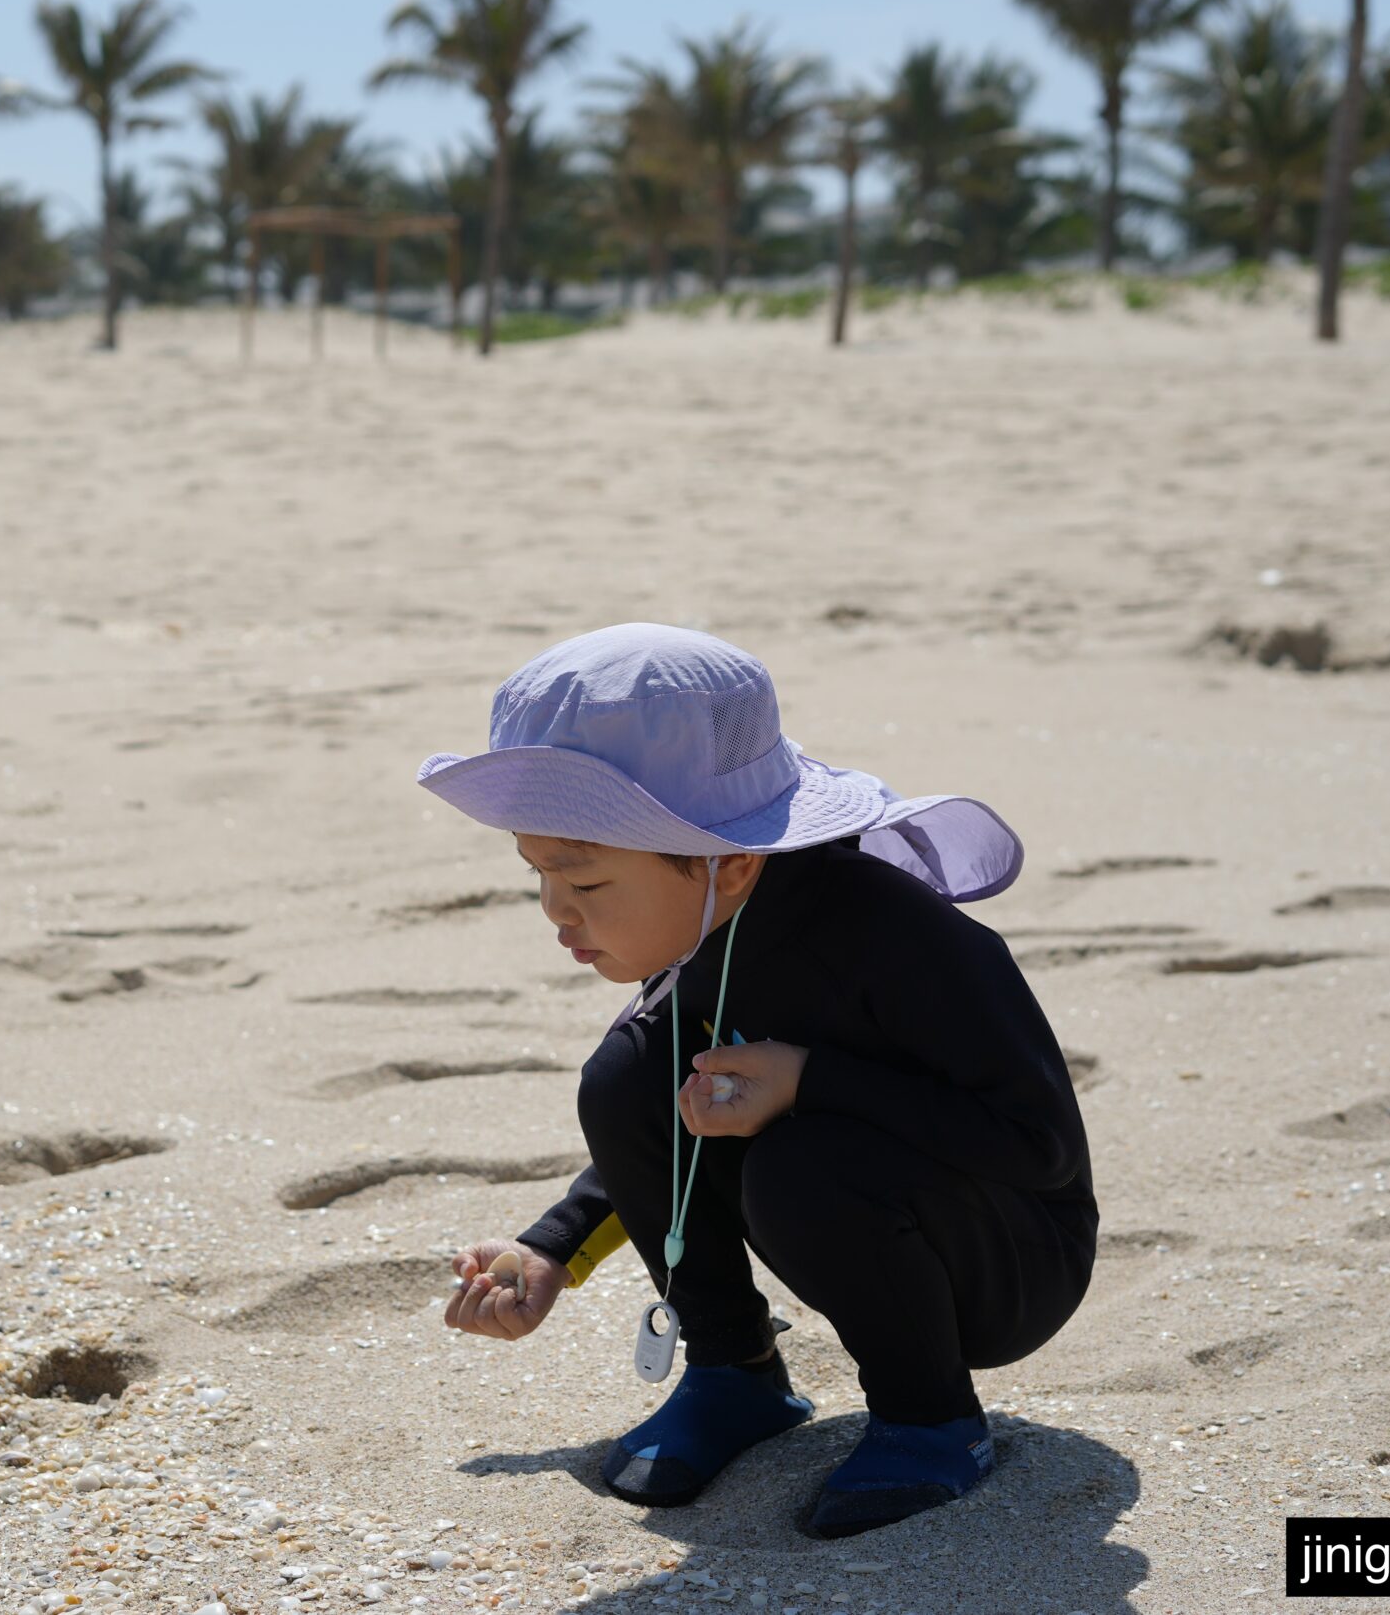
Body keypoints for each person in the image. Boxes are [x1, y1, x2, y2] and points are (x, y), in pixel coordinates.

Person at [415, 623, 1097, 1540]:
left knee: (800, 1160)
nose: (556, 911)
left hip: (1012, 1258)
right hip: (863, 1204)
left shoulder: (908, 943)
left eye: (584, 878)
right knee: (625, 1074)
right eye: (536, 872)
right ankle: (734, 1372)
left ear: (727, 860)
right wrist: (553, 1248)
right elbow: (674, 1112)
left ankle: (931, 1417)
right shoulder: (711, 926)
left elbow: (1038, 1144)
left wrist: (811, 1080)